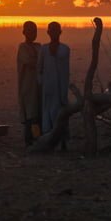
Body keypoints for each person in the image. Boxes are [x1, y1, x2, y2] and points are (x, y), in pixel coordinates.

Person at [38, 21, 71, 150]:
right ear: (48, 32)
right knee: (48, 113)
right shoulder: (44, 49)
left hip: (61, 87)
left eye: (56, 31)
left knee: (60, 113)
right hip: (48, 88)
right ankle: (49, 141)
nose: (53, 33)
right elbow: (39, 69)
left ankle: (62, 142)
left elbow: (65, 70)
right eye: (51, 31)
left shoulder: (65, 49)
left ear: (60, 32)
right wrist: (42, 83)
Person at [17, 21, 41, 146]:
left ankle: (37, 138)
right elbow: (30, 62)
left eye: (34, 31)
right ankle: (29, 140)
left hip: (38, 86)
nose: (33, 34)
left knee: (37, 114)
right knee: (30, 115)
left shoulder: (38, 46)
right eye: (30, 31)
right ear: (24, 33)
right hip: (27, 86)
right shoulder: (23, 48)